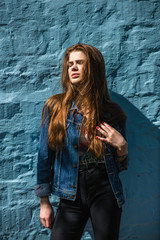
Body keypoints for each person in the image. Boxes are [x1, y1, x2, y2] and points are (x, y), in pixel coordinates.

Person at [35, 43, 128, 240]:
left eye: (80, 63)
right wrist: (44, 202)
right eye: (70, 64)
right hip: (70, 194)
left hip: (105, 190)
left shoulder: (113, 113)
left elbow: (120, 166)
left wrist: (122, 148)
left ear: (93, 68)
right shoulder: (55, 106)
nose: (73, 68)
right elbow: (45, 155)